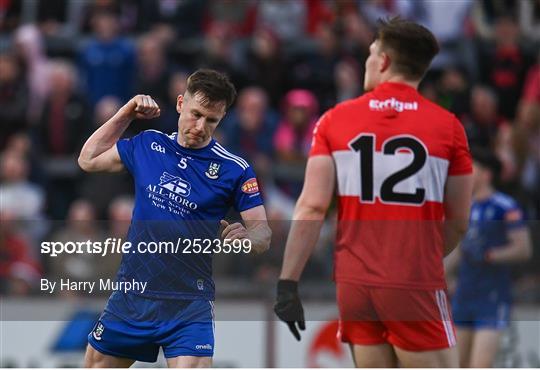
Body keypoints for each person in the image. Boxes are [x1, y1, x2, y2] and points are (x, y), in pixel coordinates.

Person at [274, 17, 474, 367]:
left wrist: (288, 284)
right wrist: (416, 262)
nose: (366, 61)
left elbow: (311, 207)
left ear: (383, 61)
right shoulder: (449, 128)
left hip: (355, 286)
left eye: (369, 53)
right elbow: (458, 221)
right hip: (414, 283)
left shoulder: (335, 120)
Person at [78, 69, 271, 367]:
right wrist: (126, 113)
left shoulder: (234, 169)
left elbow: (263, 233)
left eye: (212, 120)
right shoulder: (149, 145)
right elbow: (88, 159)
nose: (200, 126)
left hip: (188, 304)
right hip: (134, 295)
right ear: (181, 104)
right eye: (196, 114)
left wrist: (249, 237)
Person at [446, 148, 532, 368]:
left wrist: (490, 255)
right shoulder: (463, 207)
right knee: (457, 364)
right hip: (464, 294)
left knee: (480, 365)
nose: (466, 175)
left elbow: (523, 249)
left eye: (471, 169)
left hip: (492, 297)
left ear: (486, 174)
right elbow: (458, 251)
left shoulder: (505, 206)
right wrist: (442, 276)